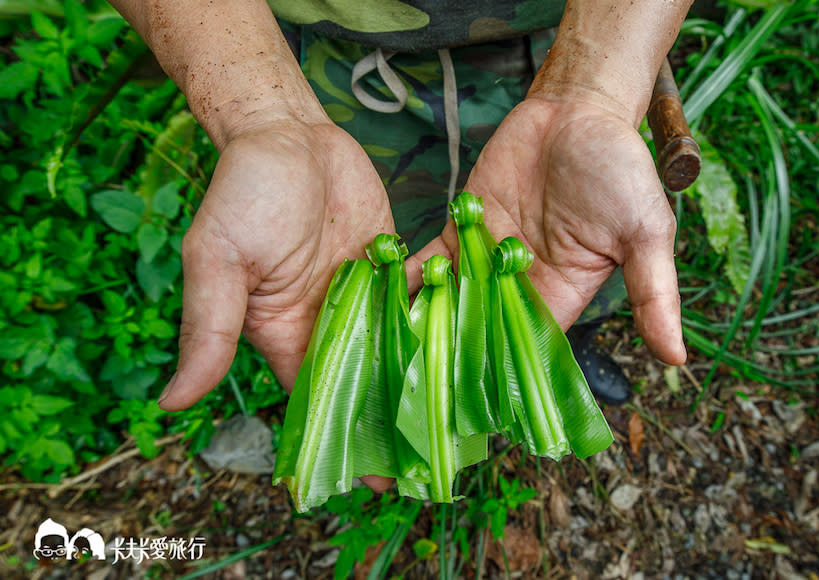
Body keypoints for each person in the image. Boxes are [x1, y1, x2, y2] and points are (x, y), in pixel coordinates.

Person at [107, 0, 690, 489]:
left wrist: (596, 92)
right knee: (384, 247)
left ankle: (576, 340)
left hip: (580, 33)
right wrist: (261, 111)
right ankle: (408, 387)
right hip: (309, 66)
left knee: (567, 263)